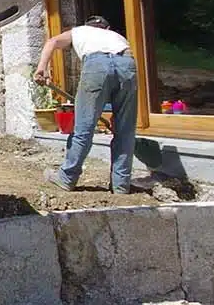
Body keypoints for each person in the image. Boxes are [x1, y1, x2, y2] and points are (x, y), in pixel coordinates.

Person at [34, 16, 138, 193]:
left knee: (84, 128)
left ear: (86, 26)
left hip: (96, 65)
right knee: (125, 131)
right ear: (107, 28)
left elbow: (52, 41)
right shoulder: (115, 36)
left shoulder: (79, 31)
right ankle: (121, 186)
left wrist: (41, 68)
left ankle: (66, 178)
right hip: (126, 63)